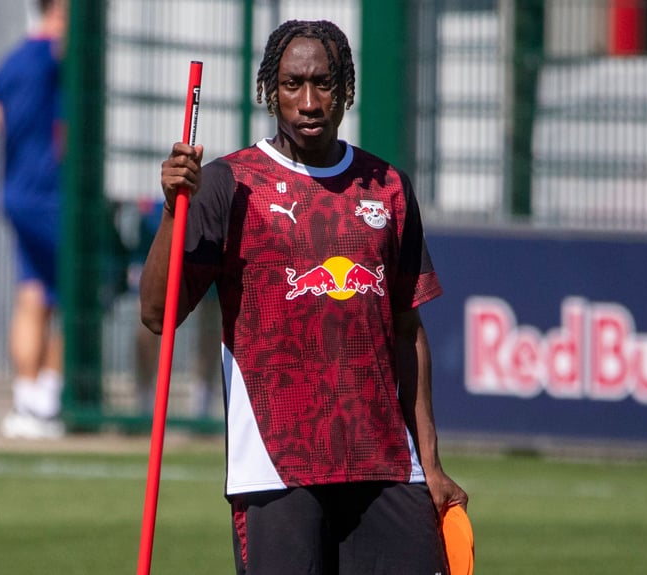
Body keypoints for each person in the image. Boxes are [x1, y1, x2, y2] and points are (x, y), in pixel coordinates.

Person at [140, 19, 468, 574]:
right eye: (293, 85)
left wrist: (429, 463)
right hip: (275, 468)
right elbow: (156, 314)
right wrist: (176, 208)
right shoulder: (228, 184)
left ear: (347, 91)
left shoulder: (387, 186)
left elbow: (408, 331)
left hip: (386, 463)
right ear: (271, 91)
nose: (309, 102)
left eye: (324, 84)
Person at [0, 0, 67, 439]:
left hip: (18, 192)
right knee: (74, 294)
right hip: (48, 196)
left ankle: (27, 400)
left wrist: (10, 131)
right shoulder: (52, 55)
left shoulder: (17, 57)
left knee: (33, 292)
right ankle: (47, 400)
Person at [129, 199, 223, 420]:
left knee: (210, 323)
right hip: (155, 221)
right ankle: (143, 401)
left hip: (204, 218)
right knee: (147, 320)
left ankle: (203, 402)